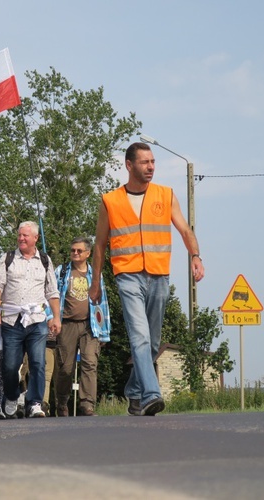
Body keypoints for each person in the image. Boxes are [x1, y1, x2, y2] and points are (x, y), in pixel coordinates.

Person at [89, 142, 204, 416]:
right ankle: (152, 394)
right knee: (139, 336)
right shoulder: (110, 201)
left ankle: (133, 392)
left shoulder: (166, 195)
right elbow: (100, 245)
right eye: (145, 162)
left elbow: (185, 229)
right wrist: (95, 283)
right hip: (127, 276)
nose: (151, 167)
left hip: (159, 276)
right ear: (129, 165)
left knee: (152, 342)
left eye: (153, 162)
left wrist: (196, 257)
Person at [0, 221, 61, 419]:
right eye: (19, 235)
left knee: (38, 363)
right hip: (12, 321)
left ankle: (35, 403)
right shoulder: (8, 258)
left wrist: (56, 317)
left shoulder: (44, 260)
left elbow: (52, 291)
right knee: (11, 366)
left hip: (37, 320)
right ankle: (12, 396)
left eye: (25, 236)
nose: (21, 238)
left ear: (35, 238)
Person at [54, 237, 111, 417]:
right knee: (65, 367)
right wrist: (52, 318)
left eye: (79, 251)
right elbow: (52, 296)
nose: (75, 254)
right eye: (73, 250)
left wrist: (104, 332)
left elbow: (102, 303)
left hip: (90, 326)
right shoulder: (61, 272)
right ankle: (62, 402)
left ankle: (87, 404)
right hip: (67, 325)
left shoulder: (95, 274)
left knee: (90, 363)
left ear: (88, 253)